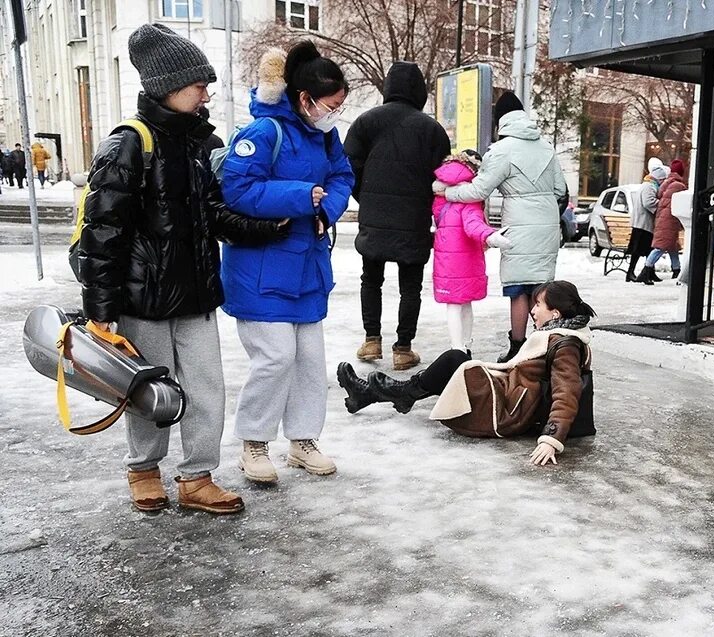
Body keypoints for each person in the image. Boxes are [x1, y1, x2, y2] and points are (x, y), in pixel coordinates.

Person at [76, 23, 290, 515]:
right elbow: (102, 231)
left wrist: (264, 227)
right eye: (199, 85)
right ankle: (144, 469)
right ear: (170, 87)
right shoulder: (128, 145)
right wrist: (101, 308)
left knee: (206, 389)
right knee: (149, 391)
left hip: (195, 294)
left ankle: (197, 477)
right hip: (143, 300)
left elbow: (212, 212)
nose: (206, 93)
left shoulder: (198, 143)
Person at [219, 42, 355, 483]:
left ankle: (302, 440)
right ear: (305, 99)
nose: (336, 113)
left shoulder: (325, 135)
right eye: (332, 105)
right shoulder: (262, 133)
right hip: (261, 269)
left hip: (307, 269)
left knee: (309, 361)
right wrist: (300, 196)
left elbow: (341, 175)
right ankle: (253, 443)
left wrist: (325, 210)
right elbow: (236, 190)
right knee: (275, 359)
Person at [337, 280, 594, 466]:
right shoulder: (556, 335)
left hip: (508, 410)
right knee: (457, 359)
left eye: (538, 304)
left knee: (456, 359)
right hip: (509, 395)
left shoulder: (566, 344)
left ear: (556, 313)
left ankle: (389, 393)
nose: (532, 310)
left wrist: (550, 438)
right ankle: (383, 394)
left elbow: (567, 390)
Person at [438, 91, 567, 362]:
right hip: (547, 224)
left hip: (519, 224)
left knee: (518, 289)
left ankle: (518, 347)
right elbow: (559, 189)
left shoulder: (501, 151)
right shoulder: (545, 147)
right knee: (542, 288)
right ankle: (541, 346)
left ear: (500, 121)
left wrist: (447, 193)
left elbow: (479, 189)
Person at [344, 61, 451, 371]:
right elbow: (442, 177)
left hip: (374, 217)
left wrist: (366, 198)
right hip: (414, 219)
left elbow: (348, 168)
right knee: (410, 287)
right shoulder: (431, 129)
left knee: (371, 279)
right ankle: (403, 348)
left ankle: (371, 340)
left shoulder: (365, 122)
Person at [431, 149, 511, 353]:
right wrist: (490, 236)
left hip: (445, 257)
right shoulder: (468, 195)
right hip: (465, 257)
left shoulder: (441, 195)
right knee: (463, 304)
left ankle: (458, 346)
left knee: (454, 303)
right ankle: (462, 347)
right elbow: (472, 223)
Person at [638, 159, 688, 284]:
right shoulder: (679, 186)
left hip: (662, 218)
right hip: (670, 220)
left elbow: (659, 195)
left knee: (672, 247)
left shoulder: (666, 183)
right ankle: (646, 270)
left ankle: (676, 270)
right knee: (660, 247)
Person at [626, 161, 668, 282]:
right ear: (658, 178)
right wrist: (661, 206)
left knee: (648, 249)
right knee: (638, 250)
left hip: (643, 223)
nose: (662, 182)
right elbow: (648, 202)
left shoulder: (648, 184)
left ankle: (649, 272)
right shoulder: (649, 186)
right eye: (662, 180)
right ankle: (630, 273)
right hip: (643, 224)